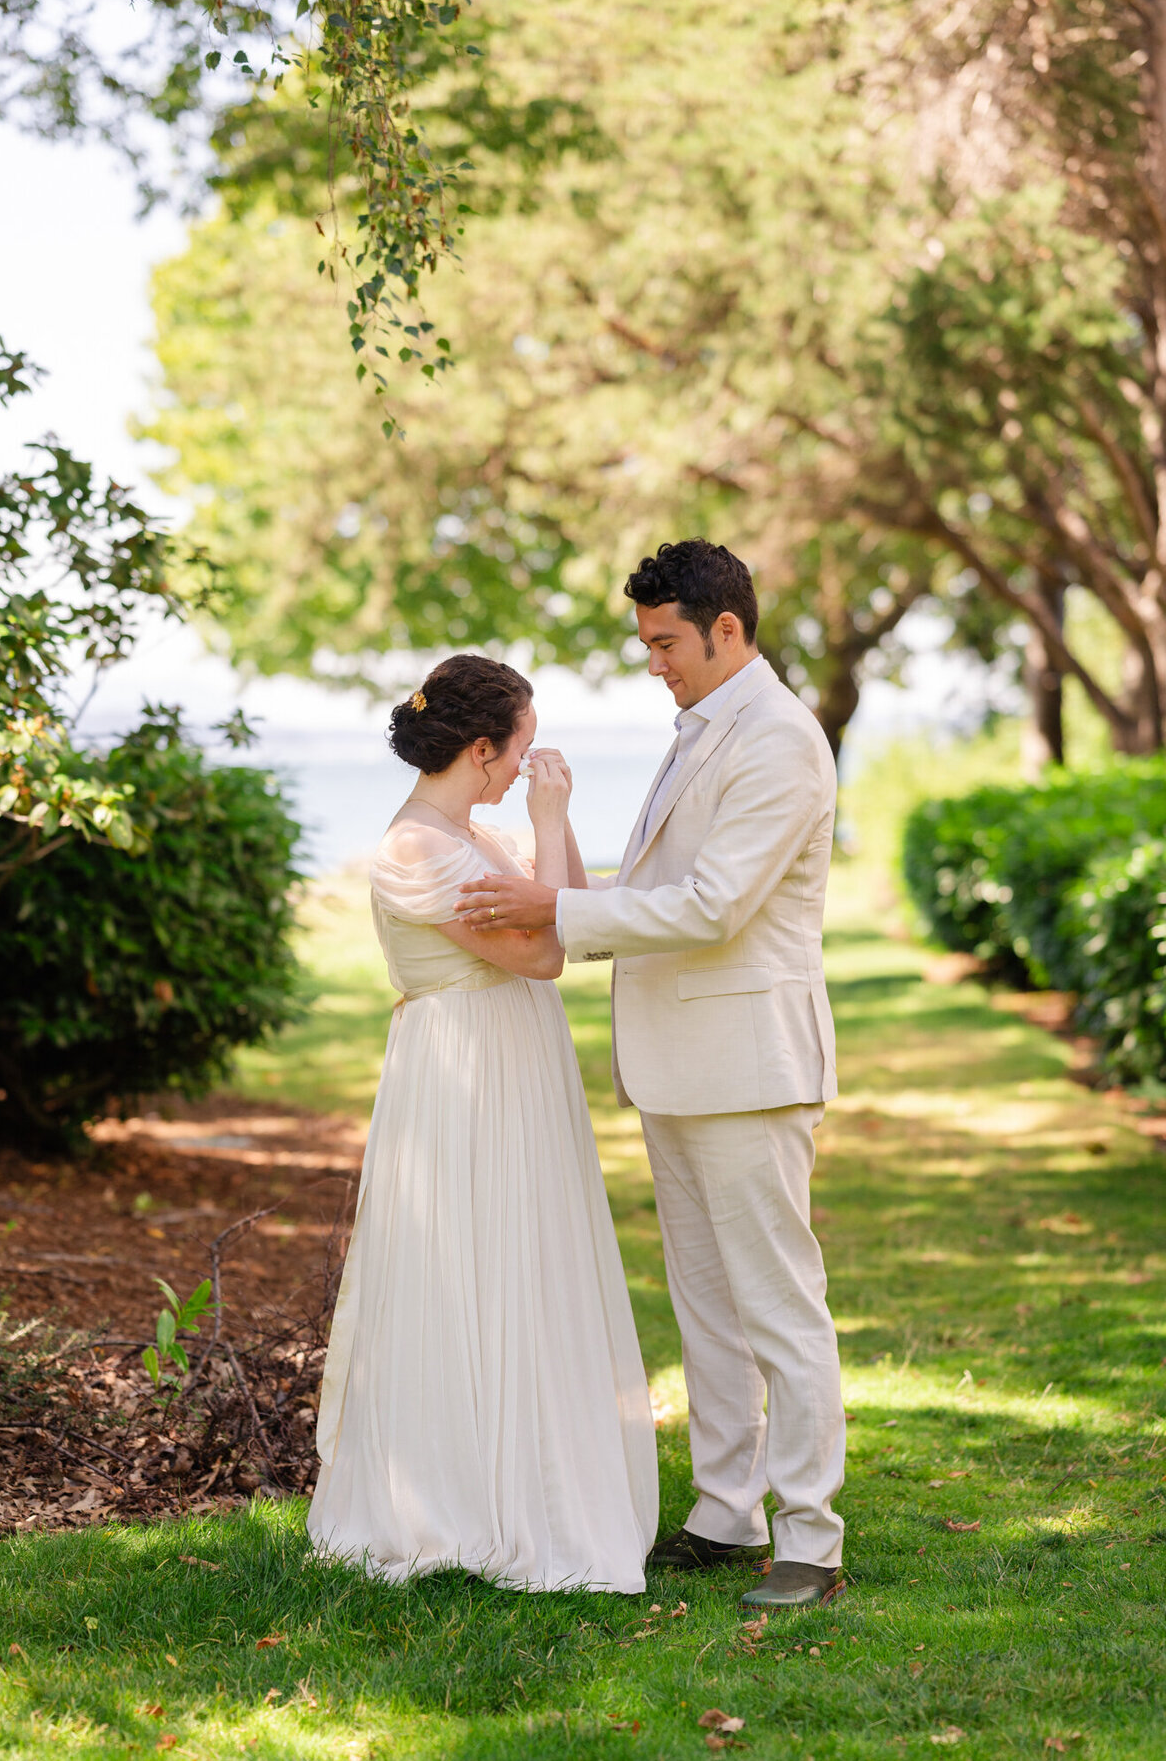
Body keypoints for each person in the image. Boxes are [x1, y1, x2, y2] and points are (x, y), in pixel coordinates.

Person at [457, 540, 846, 1616]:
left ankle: (811, 1538)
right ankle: (727, 1511)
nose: (654, 662)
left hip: (748, 1065)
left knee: (779, 1306)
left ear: (728, 629)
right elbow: (665, 884)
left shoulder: (777, 740)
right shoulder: (702, 732)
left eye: (666, 641)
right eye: (645, 644)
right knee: (708, 1305)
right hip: (681, 1065)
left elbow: (714, 905)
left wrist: (557, 913)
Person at [307, 653, 658, 1594]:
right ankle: (467, 1493)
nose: (525, 767)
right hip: (464, 1070)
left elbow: (571, 910)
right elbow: (540, 954)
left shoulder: (476, 831)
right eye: (520, 751)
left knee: (532, 1257)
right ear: (479, 748)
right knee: (473, 1259)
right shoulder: (418, 847)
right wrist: (542, 827)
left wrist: (555, 824)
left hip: (517, 1060)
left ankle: (539, 1470)